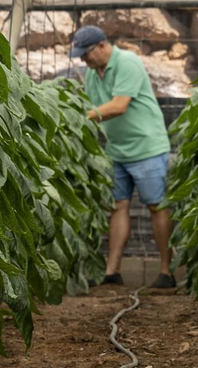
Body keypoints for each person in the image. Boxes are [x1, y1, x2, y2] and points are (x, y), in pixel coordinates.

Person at [69, 25, 176, 289]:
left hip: (146, 147)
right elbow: (92, 105)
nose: (84, 60)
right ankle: (111, 272)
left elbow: (118, 105)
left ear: (103, 45)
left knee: (156, 206)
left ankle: (166, 271)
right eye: (81, 56)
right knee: (118, 206)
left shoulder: (127, 62)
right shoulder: (94, 74)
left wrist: (79, 118)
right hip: (116, 150)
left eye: (87, 54)